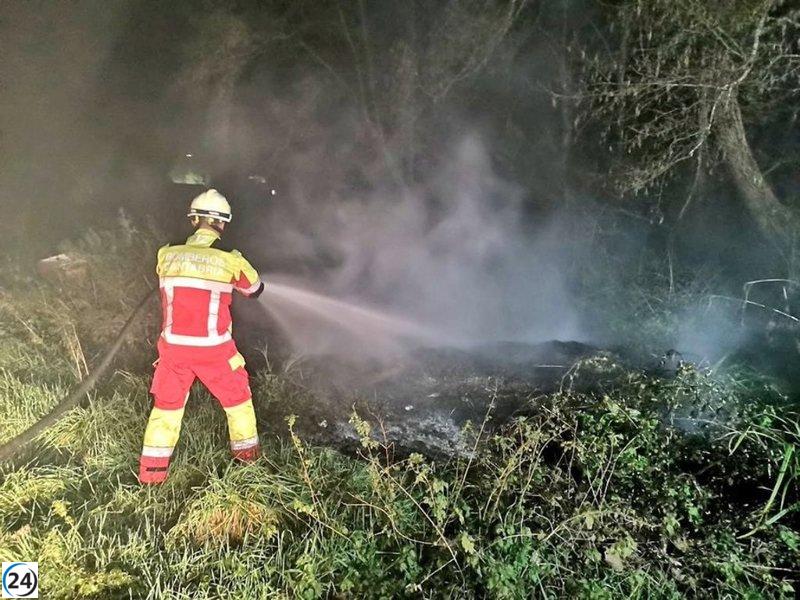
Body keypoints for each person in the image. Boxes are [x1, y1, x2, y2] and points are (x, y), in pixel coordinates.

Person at [138, 189, 264, 485]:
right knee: (239, 403)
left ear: (194, 219)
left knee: (166, 411)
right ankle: (249, 466)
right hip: (214, 351)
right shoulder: (231, 261)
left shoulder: (166, 255)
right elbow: (254, 290)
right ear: (223, 224)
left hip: (173, 351)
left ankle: (151, 477)